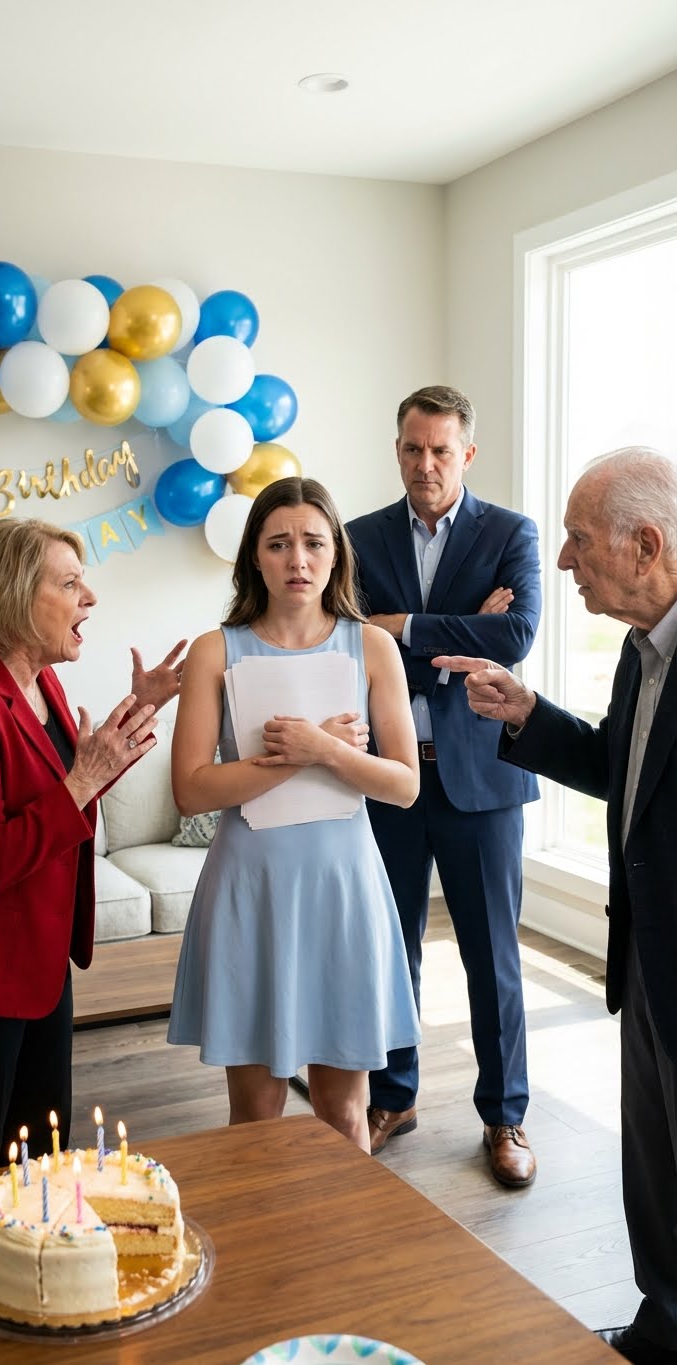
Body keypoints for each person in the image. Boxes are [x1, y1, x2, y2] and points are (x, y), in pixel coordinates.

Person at [435, 447, 677, 1363]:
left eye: (579, 538)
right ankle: (663, 1326)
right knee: (653, 1164)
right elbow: (623, 765)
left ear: (645, 543)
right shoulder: (641, 650)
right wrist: (526, 711)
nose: (565, 559)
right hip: (645, 956)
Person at [0, 518, 186, 1183]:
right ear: (13, 596)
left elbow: (64, 792)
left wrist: (137, 712)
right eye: (69, 584)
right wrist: (84, 778)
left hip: (37, 961)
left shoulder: (40, 682)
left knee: (39, 1154)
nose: (89, 597)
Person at [167, 476, 421, 1153]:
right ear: (255, 556)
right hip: (250, 889)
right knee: (255, 1116)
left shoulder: (373, 647)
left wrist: (326, 750)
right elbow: (191, 791)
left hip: (343, 889)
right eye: (279, 544)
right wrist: (302, 753)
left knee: (345, 1112)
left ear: (337, 553)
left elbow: (404, 785)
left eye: (314, 542)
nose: (298, 560)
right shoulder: (215, 650)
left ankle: (345, 1230)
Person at [346, 384, 542, 1184]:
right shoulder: (358, 538)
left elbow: (515, 635)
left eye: (440, 450)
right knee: (388, 947)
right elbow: (347, 644)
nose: (425, 464)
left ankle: (506, 1115)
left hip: (482, 781)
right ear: (397, 449)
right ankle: (393, 1095)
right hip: (389, 777)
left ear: (467, 453)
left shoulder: (511, 533)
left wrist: (403, 628)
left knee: (491, 956)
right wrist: (464, 630)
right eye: (412, 448)